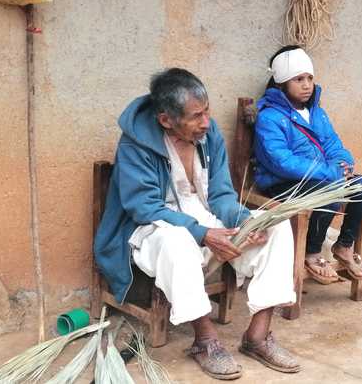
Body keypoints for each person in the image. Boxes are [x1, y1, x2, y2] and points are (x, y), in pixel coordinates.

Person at [95, 68, 300, 380]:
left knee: (277, 227)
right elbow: (144, 208)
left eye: (207, 111)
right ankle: (205, 341)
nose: (206, 122)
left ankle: (257, 335)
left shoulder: (208, 134)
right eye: (196, 116)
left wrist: (244, 220)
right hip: (154, 229)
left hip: (207, 220)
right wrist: (202, 234)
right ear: (166, 120)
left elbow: (221, 194)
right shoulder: (135, 144)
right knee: (177, 242)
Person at [254, 46, 362, 285]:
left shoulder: (316, 112)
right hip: (282, 184)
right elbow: (281, 161)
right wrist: (331, 172)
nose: (307, 85)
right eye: (299, 79)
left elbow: (333, 144)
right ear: (282, 83)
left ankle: (344, 245)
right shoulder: (269, 117)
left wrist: (344, 163)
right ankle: (312, 252)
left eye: (309, 78)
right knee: (330, 191)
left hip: (320, 178)